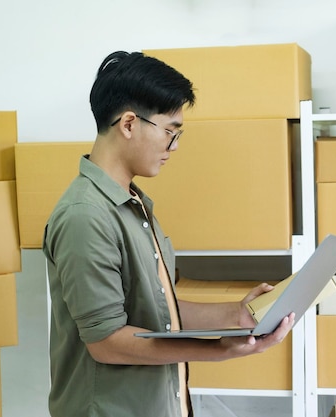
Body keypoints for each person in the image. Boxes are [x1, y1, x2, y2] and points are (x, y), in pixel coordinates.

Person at [42, 51, 295, 417]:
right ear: (129, 124)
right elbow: (106, 342)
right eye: (170, 132)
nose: (173, 148)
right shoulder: (86, 215)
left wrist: (237, 314)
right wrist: (220, 350)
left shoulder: (133, 203)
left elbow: (157, 312)